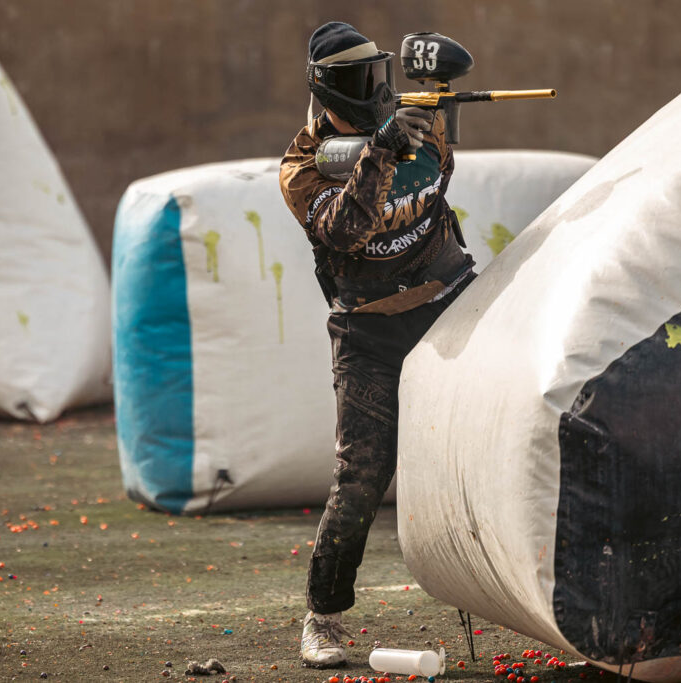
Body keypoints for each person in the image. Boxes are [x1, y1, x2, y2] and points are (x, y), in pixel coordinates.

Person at [278, 21, 475, 669]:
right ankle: (324, 615)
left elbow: (441, 179)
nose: (377, 90)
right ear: (329, 90)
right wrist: (381, 152)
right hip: (369, 332)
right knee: (361, 478)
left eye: (378, 76)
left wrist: (435, 103)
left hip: (451, 305)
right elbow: (344, 232)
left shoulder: (416, 123)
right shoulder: (302, 168)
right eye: (361, 81)